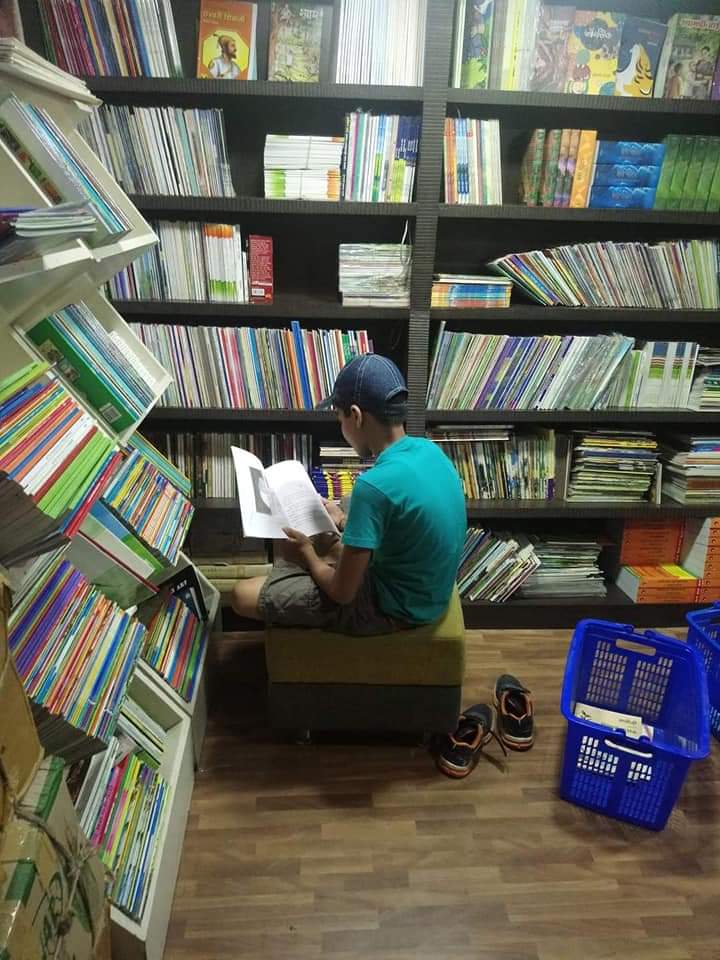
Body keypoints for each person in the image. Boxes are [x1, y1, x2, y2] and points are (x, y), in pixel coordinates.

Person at [232, 354, 467, 635]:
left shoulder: (373, 486)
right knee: (338, 519)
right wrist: (344, 520)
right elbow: (405, 522)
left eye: (339, 417)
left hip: (394, 609)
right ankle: (328, 550)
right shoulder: (429, 451)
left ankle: (309, 564)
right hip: (428, 593)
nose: (340, 426)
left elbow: (342, 595)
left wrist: (308, 555)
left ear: (355, 416)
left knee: (241, 595)